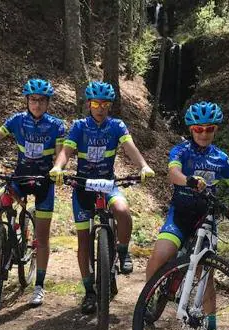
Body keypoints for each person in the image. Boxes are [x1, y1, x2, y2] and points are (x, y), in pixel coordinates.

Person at [144, 101, 229, 330]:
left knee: (205, 272)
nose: (203, 134)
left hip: (207, 218)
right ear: (191, 129)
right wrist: (187, 180)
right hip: (180, 214)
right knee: (161, 253)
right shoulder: (182, 151)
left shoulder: (221, 158)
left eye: (209, 129)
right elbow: (172, 172)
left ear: (215, 130)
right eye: (198, 129)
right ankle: (147, 298)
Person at [50, 81, 155, 315]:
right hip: (82, 187)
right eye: (96, 103)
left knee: (123, 211)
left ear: (110, 106)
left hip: (108, 184)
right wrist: (58, 167)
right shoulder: (79, 126)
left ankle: (124, 251)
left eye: (105, 104)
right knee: (83, 242)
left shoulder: (116, 125)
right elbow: (66, 152)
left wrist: (144, 166)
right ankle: (89, 291)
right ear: (89, 104)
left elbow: (130, 148)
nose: (100, 108)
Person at [0, 78, 65, 307]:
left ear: (48, 103)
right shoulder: (17, 121)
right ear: (27, 100)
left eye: (42, 100)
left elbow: (59, 156)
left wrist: (58, 169)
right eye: (33, 99)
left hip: (44, 183)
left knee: (42, 237)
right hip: (20, 178)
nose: (37, 104)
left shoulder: (56, 125)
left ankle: (39, 285)